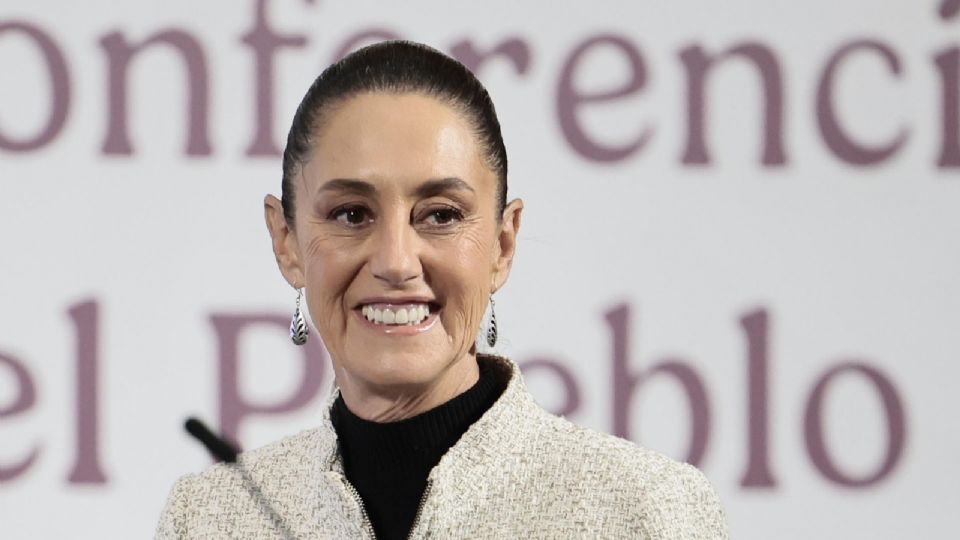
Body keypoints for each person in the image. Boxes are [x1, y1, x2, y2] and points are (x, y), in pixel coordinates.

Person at [156, 40, 728, 539]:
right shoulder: (210, 518)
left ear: (503, 245)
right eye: (352, 214)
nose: (396, 262)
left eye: (440, 215)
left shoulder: (648, 511)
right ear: (286, 241)